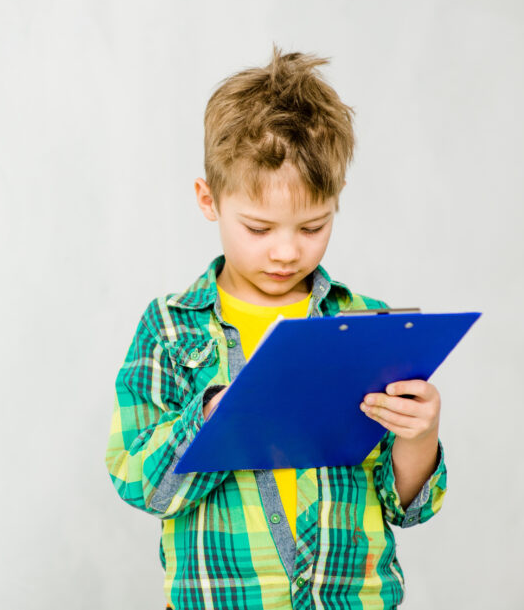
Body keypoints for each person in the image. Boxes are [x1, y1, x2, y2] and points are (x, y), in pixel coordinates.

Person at [104, 46, 447, 610]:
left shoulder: (365, 323)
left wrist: (419, 433)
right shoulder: (170, 327)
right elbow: (140, 482)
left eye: (313, 226)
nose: (287, 251)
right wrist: (216, 414)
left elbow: (406, 505)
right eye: (259, 228)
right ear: (208, 200)